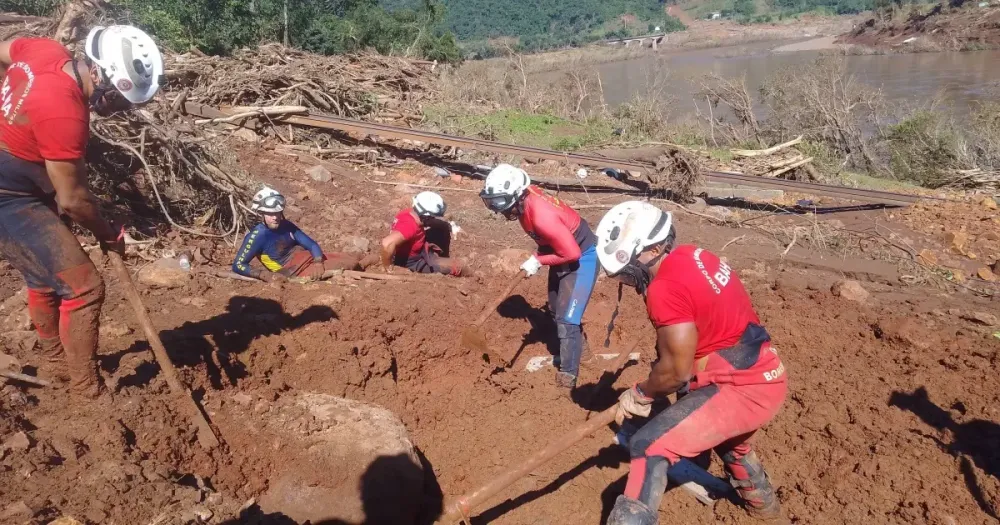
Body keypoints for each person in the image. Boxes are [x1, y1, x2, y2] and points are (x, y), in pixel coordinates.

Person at [593, 201, 787, 523]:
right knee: (732, 444)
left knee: (647, 446)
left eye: (627, 274)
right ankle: (765, 509)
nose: (628, 281)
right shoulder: (693, 255)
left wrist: (640, 393)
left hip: (742, 388)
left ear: (651, 249)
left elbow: (676, 372)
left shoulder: (664, 289)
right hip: (763, 369)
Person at [0, 26, 165, 397]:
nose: (118, 109)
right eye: (119, 99)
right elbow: (73, 200)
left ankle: (56, 359)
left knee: (43, 276)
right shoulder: (63, 112)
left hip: (22, 183)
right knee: (84, 287)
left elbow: (3, 51)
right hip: (8, 196)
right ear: (99, 74)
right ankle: (87, 391)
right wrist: (108, 235)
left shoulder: (43, 50)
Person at [479, 164, 599, 389]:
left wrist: (538, 260)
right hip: (560, 251)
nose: (500, 212)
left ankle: (568, 377)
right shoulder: (525, 198)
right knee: (555, 310)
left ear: (517, 196)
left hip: (582, 257)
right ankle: (583, 353)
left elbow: (571, 253)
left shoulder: (542, 216)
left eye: (502, 205)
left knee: (566, 320)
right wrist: (541, 256)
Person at [232, 186, 363, 282]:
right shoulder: (256, 236)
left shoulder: (287, 225)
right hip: (291, 270)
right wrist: (262, 274)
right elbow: (238, 265)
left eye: (277, 213)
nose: (275, 217)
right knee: (346, 264)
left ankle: (367, 260)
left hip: (306, 258)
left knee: (346, 256)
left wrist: (318, 261)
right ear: (261, 214)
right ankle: (364, 264)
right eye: (270, 214)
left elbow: (311, 245)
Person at [379, 191, 466, 276]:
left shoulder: (410, 213)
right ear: (426, 217)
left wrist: (451, 226)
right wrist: (388, 267)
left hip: (416, 248)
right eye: (434, 216)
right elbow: (387, 243)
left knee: (440, 229)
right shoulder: (410, 227)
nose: (436, 218)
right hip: (412, 261)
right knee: (458, 266)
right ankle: (475, 277)